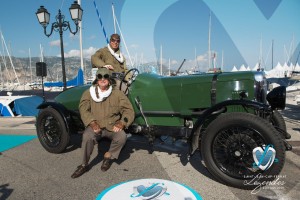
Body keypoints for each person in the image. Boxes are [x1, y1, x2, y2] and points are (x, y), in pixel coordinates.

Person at [71, 68, 135, 178]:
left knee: (122, 137)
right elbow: (83, 109)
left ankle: (108, 156)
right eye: (100, 76)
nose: (103, 79)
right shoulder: (89, 93)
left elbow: (128, 110)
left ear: (109, 79)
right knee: (87, 137)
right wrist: (92, 123)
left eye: (105, 76)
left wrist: (122, 123)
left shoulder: (117, 94)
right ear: (97, 79)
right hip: (95, 126)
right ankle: (84, 164)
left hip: (111, 127)